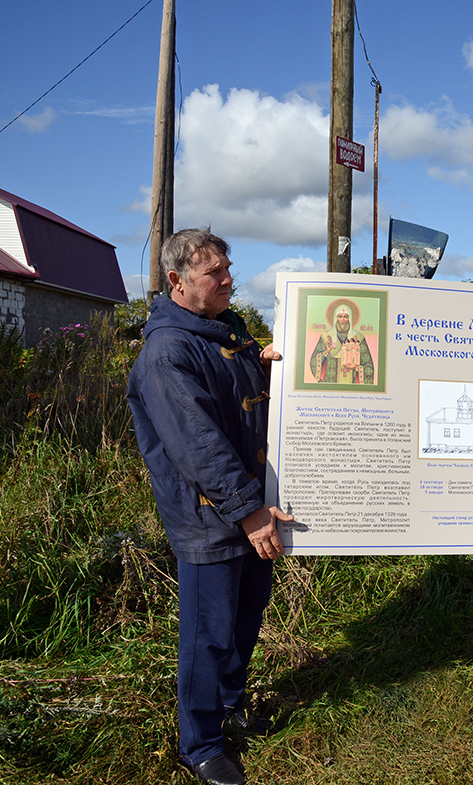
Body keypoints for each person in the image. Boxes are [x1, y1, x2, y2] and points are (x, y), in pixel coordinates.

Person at [127, 228, 293, 785]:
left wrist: (273, 369)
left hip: (250, 509)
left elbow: (244, 407)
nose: (228, 279)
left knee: (246, 617)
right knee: (209, 632)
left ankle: (229, 705)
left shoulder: (226, 332)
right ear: (176, 281)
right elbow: (198, 443)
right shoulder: (168, 351)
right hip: (211, 517)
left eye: (227, 268)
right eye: (213, 273)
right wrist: (250, 511)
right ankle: (199, 743)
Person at [309, 299, 374, 384]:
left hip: (352, 385)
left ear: (349, 319)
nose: (343, 320)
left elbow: (368, 367)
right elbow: (314, 361)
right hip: (330, 383)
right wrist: (327, 351)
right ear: (336, 319)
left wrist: (356, 367)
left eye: (345, 317)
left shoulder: (359, 338)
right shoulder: (326, 337)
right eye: (340, 316)